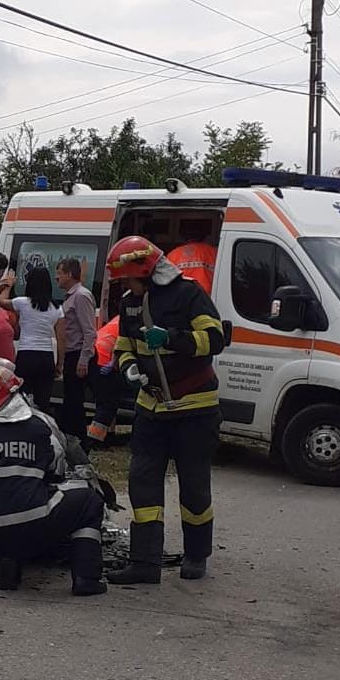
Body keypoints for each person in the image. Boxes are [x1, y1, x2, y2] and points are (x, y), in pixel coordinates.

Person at [104, 235, 227, 585]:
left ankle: (196, 555)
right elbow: (123, 345)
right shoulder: (130, 303)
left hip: (195, 409)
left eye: (127, 279)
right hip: (151, 408)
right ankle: (145, 563)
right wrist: (128, 367)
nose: (125, 286)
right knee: (143, 485)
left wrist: (171, 337)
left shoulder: (189, 295)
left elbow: (214, 339)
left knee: (194, 486)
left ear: (144, 271)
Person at [0, 364, 107, 597]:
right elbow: (55, 474)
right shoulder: (36, 429)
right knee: (89, 501)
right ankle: (87, 578)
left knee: (9, 514)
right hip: (34, 520)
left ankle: (8, 568)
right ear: (13, 398)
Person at [0, 266, 64, 419]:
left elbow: (1, 302)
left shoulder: (22, 303)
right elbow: (62, 339)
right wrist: (60, 364)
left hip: (26, 355)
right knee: (43, 401)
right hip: (46, 357)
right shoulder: (57, 308)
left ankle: (22, 427)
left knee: (21, 398)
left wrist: (8, 285)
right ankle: (42, 427)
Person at [56, 257, 98, 440]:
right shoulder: (72, 296)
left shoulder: (81, 296)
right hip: (72, 354)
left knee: (75, 402)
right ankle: (70, 437)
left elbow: (89, 331)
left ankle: (79, 440)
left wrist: (83, 360)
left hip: (78, 354)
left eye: (59, 273)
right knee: (70, 400)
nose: (56, 278)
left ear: (70, 274)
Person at [86, 314, 123, 446]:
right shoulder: (130, 320)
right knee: (108, 405)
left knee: (102, 402)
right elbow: (120, 344)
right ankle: (94, 439)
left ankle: (108, 435)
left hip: (94, 357)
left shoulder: (118, 319)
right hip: (104, 361)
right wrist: (113, 363)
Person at [166, 220, 218, 293]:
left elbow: (166, 279)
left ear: (184, 237)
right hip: (207, 296)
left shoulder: (173, 254)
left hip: (182, 296)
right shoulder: (213, 252)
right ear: (204, 237)